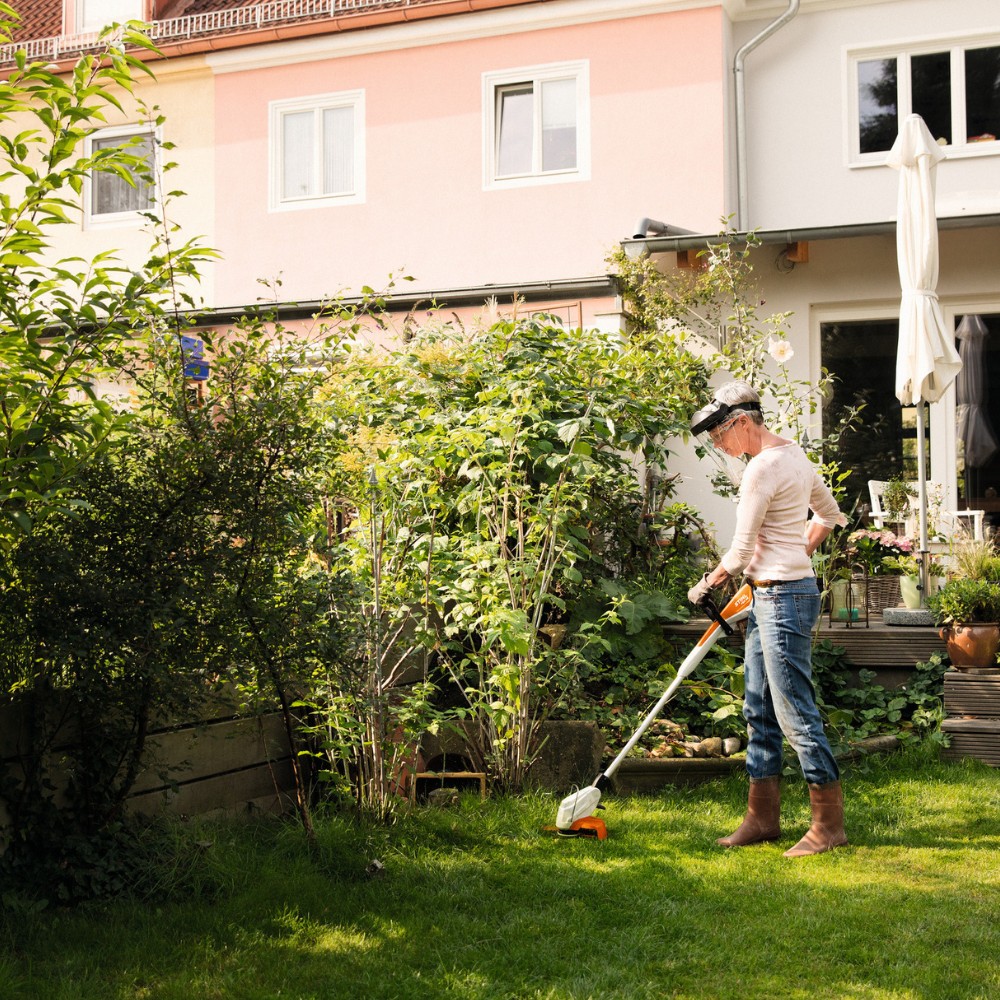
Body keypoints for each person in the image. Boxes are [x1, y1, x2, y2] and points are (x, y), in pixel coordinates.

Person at [686, 381, 848, 857]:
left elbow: (738, 552)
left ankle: (828, 826)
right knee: (758, 707)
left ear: (740, 421)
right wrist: (794, 554)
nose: (720, 447)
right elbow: (829, 515)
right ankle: (762, 818)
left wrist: (706, 583)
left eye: (719, 437)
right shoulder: (794, 454)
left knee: (794, 712)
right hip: (774, 595)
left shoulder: (761, 467)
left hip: (781, 600)